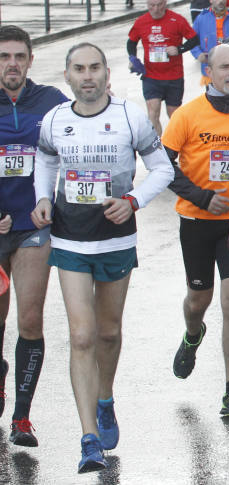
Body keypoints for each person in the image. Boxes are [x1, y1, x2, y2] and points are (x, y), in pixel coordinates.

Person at [31, 43, 174, 472]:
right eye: (79, 69)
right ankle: (88, 438)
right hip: (70, 240)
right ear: (68, 75)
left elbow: (162, 169)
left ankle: (105, 396)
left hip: (115, 241)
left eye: (95, 68)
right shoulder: (55, 120)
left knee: (108, 333)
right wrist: (42, 197)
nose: (88, 75)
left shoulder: (129, 117)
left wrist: (132, 200)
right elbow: (45, 159)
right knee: (81, 335)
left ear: (106, 75)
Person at [162, 45, 229, 418]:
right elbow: (162, 165)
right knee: (197, 300)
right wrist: (202, 198)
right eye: (225, 67)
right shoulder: (187, 115)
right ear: (209, 71)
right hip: (197, 221)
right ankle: (192, 334)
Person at [0, 26, 68, 447]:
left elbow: (80, 145)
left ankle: (22, 417)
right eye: (4, 56)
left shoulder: (51, 102)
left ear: (30, 60)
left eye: (18, 57)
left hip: (32, 228)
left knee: (28, 320)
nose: (11, 64)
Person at [127, 0, 199, 136]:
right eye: (152, 5)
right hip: (151, 76)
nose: (156, 9)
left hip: (174, 76)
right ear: (147, 5)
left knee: (174, 115)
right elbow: (131, 42)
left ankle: (172, 149)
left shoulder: (177, 20)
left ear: (165, 4)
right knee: (153, 112)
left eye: (159, 5)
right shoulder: (141, 21)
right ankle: (158, 150)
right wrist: (132, 59)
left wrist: (179, 49)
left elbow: (194, 39)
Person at [191, 0, 229, 84]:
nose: (221, 1)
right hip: (209, 69)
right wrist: (198, 54)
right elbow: (192, 40)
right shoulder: (201, 19)